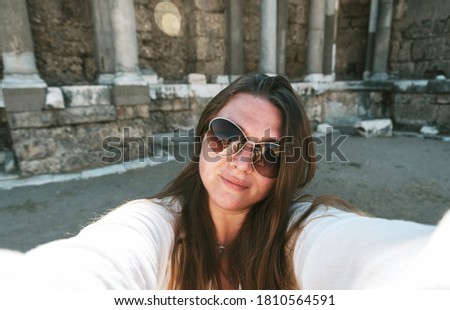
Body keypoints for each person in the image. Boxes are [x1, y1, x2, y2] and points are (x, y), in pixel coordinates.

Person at [0, 73, 449, 289]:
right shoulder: (152, 224)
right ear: (202, 139)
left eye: (270, 153)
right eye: (226, 135)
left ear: (284, 173)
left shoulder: (302, 231)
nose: (241, 161)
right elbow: (92, 267)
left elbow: (379, 259)